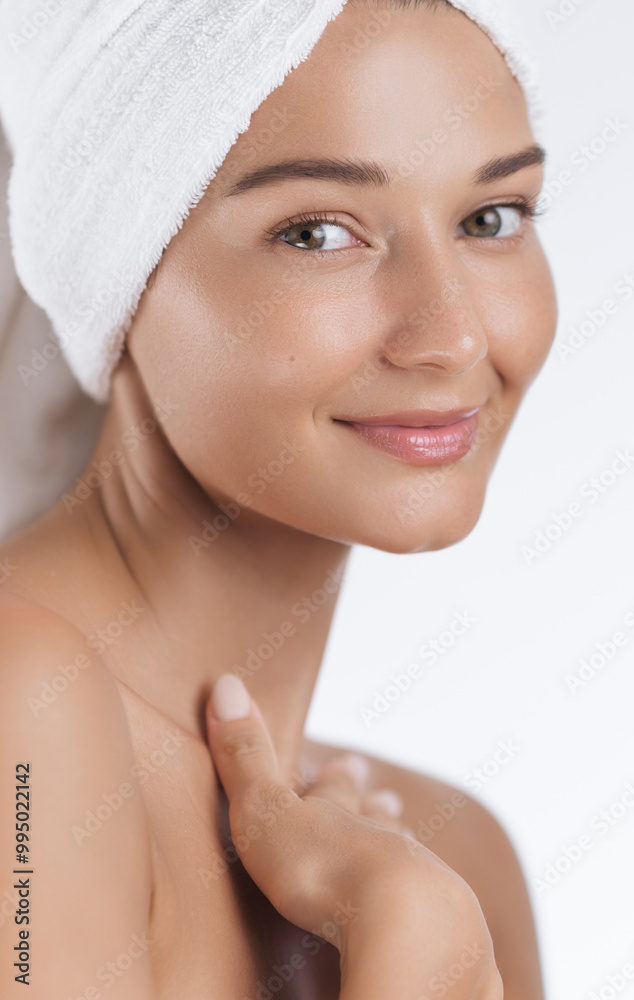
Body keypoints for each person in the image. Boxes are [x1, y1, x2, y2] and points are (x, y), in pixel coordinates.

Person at [0, 0, 557, 996]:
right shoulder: (20, 705)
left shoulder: (447, 858)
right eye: (317, 232)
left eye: (490, 219)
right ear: (113, 277)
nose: (452, 336)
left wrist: (409, 921)